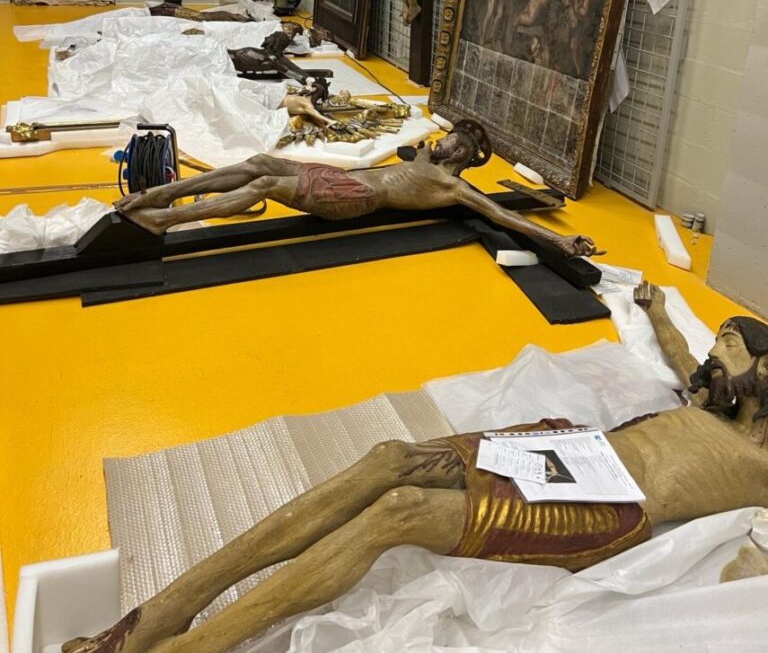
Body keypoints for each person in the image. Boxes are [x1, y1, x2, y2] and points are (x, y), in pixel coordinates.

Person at [65, 284, 768, 653]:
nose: (711, 355)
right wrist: (656, 307)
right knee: (390, 460)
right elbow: (679, 349)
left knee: (397, 513)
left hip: (610, 507)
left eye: (729, 347)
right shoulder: (708, 397)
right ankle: (156, 616)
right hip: (572, 451)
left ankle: (194, 649)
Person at [115, 120, 598, 258]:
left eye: (454, 137)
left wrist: (559, 241)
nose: (444, 136)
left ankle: (163, 221)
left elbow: (501, 215)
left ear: (463, 153)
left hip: (352, 199)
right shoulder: (424, 158)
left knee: (264, 182)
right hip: (343, 179)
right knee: (261, 160)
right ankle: (159, 195)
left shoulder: (451, 186)